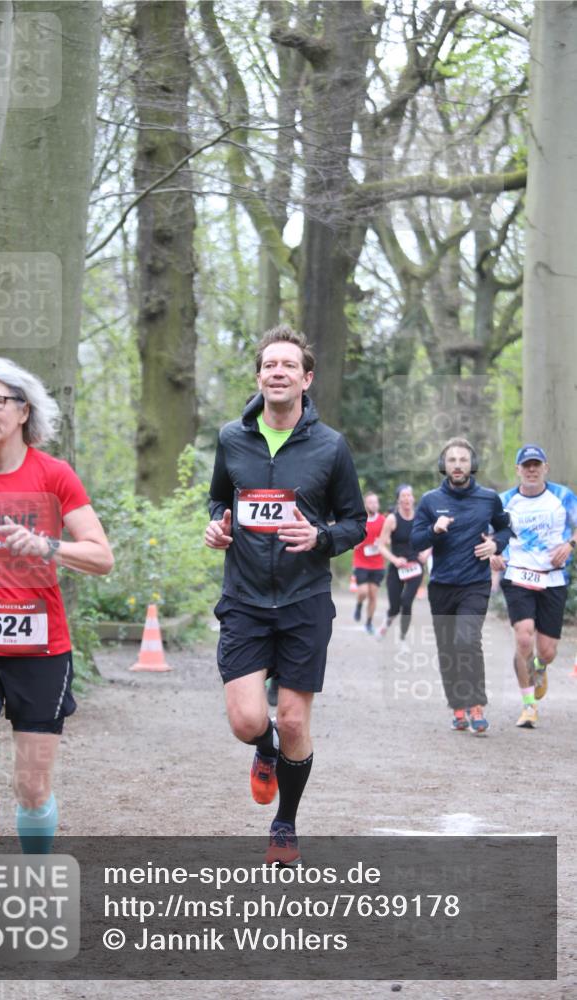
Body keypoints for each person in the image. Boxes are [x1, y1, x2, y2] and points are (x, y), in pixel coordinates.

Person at [0, 358, 113, 930]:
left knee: (31, 789)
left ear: (23, 410)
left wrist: (46, 545)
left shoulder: (54, 476)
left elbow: (102, 557)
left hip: (42, 653)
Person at [205, 326, 366, 864]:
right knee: (248, 722)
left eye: (288, 365)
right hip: (245, 599)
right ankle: (266, 751)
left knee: (295, 719)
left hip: (303, 600)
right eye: (269, 364)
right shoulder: (232, 439)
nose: (278, 372)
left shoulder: (330, 446)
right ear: (259, 376)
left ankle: (285, 823)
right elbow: (216, 503)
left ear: (306, 378)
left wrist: (321, 537)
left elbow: (356, 523)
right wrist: (216, 527)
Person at [410, 438, 512, 735]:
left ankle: (476, 704)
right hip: (442, 585)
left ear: (472, 465)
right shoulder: (430, 501)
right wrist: (434, 530)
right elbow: (416, 541)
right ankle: (457, 705)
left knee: (467, 641)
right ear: (444, 466)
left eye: (463, 460)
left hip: (475, 584)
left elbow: (506, 528)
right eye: (452, 460)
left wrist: (496, 543)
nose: (457, 465)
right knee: (447, 649)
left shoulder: (489, 498)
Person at [493, 445, 577, 729]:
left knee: (548, 650)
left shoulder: (563, 497)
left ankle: (540, 668)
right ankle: (529, 707)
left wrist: (570, 544)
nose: (531, 470)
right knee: (524, 638)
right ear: (517, 470)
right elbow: (490, 533)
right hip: (517, 575)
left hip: (553, 577)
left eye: (536, 465)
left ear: (545, 468)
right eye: (526, 465)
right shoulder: (504, 501)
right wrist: (494, 554)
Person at [375, 484, 430, 652]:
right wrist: (394, 559)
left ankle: (402, 638)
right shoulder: (392, 519)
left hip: (415, 566)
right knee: (395, 606)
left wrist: (426, 553)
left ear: (413, 499)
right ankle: (388, 618)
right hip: (397, 567)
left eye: (409, 495)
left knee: (407, 602)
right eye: (403, 496)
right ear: (398, 500)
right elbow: (381, 546)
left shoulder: (421, 517)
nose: (407, 498)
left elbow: (432, 537)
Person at [351, 491, 386, 634]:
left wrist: (382, 542)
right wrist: (354, 543)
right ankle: (359, 605)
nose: (374, 505)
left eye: (376, 502)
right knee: (363, 591)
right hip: (360, 562)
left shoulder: (383, 520)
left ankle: (369, 623)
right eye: (371, 502)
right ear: (365, 505)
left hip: (377, 563)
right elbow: (350, 538)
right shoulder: (359, 520)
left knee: (373, 595)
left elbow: (388, 539)